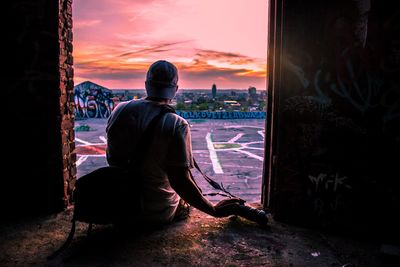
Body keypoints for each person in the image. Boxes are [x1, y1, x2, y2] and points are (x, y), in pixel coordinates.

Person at [106, 60, 241, 225]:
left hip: (118, 204)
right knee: (182, 203)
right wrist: (213, 210)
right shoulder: (176, 124)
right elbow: (180, 181)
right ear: (175, 90)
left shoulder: (120, 110)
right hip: (154, 212)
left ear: (146, 84)